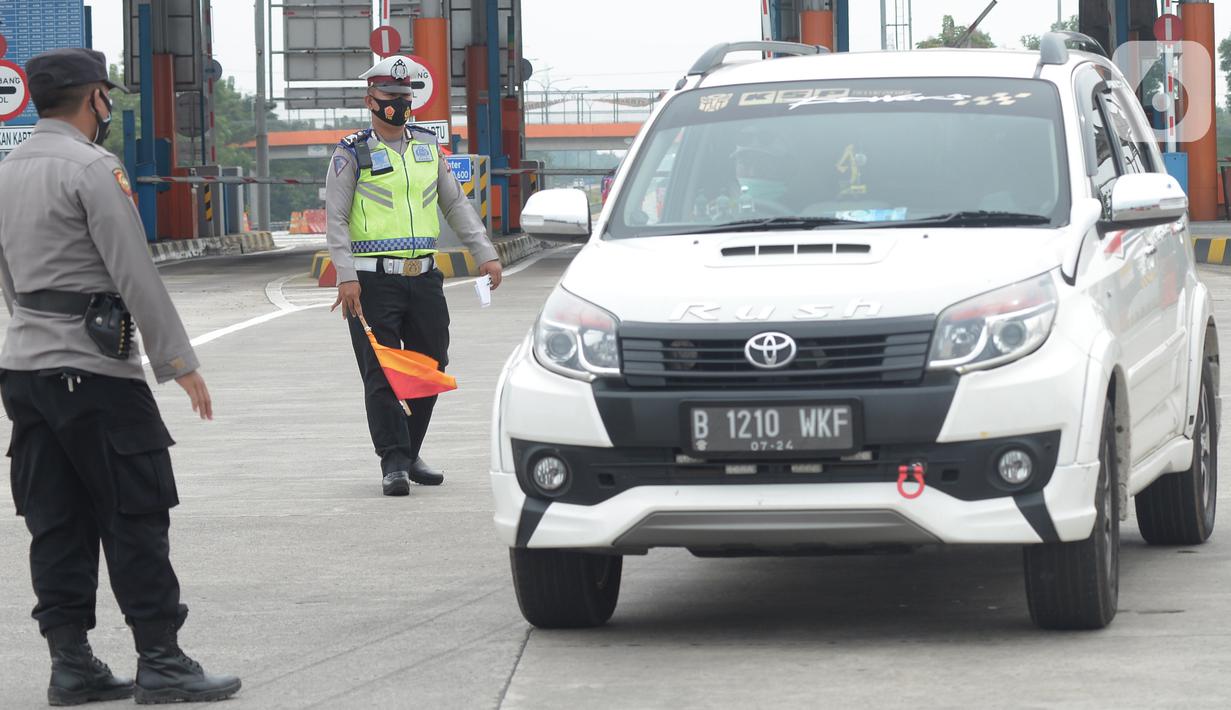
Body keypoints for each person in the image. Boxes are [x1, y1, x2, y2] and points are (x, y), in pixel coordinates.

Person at [0, 48, 239, 705]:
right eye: (106, 96)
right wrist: (178, 362)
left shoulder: (8, 168)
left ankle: (71, 664)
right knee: (136, 513)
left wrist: (29, 332)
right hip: (94, 370)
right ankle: (161, 660)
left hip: (24, 369)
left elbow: (10, 279)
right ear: (95, 99)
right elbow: (134, 269)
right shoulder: (93, 168)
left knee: (57, 520)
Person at [325, 55, 503, 497]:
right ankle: (394, 461)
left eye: (405, 98)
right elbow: (336, 219)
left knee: (430, 364)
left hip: (423, 276)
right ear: (371, 100)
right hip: (371, 280)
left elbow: (456, 205)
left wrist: (484, 252)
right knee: (383, 373)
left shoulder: (427, 147)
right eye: (390, 98)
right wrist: (345, 275)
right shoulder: (352, 152)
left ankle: (409, 449)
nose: (399, 105)